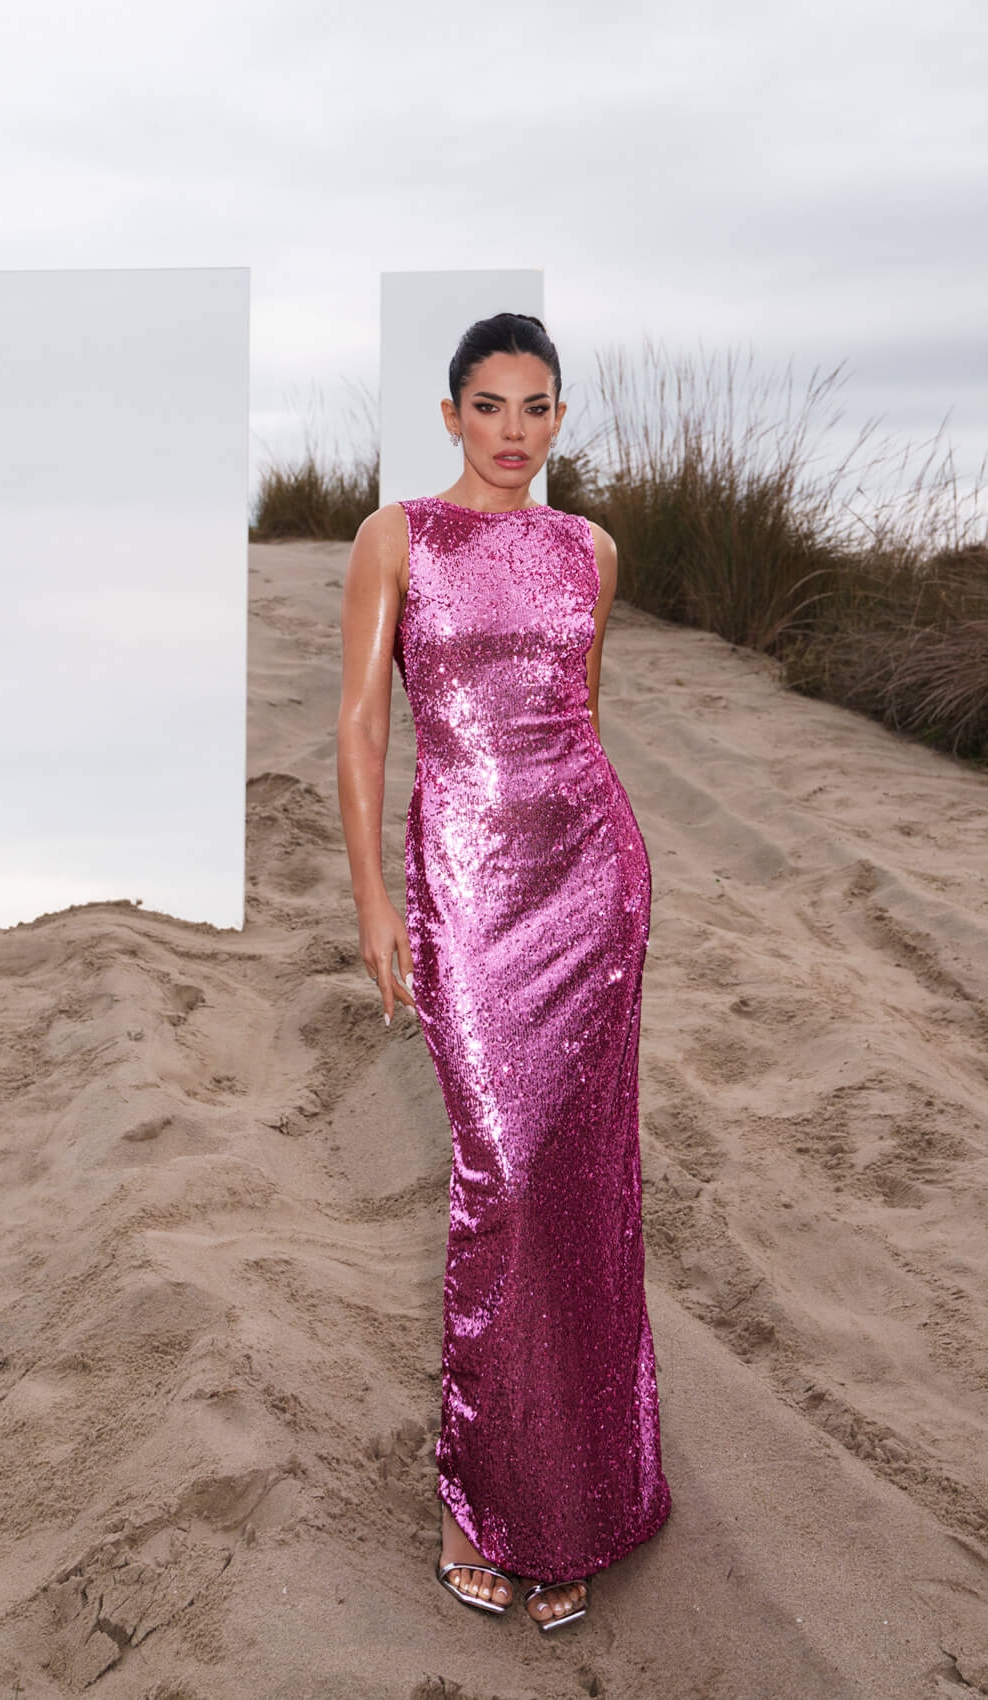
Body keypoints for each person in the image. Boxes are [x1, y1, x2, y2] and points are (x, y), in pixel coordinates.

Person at [336, 312, 671, 1630]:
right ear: (450, 415)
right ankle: (477, 1502)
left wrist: (608, 874)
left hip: (592, 883)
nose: (514, 430)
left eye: (537, 407)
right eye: (489, 405)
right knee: (508, 1184)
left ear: (560, 418)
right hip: (467, 895)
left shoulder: (591, 549)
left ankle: (575, 1503)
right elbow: (365, 725)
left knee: (581, 1192)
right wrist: (373, 895)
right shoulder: (397, 538)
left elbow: (581, 714)